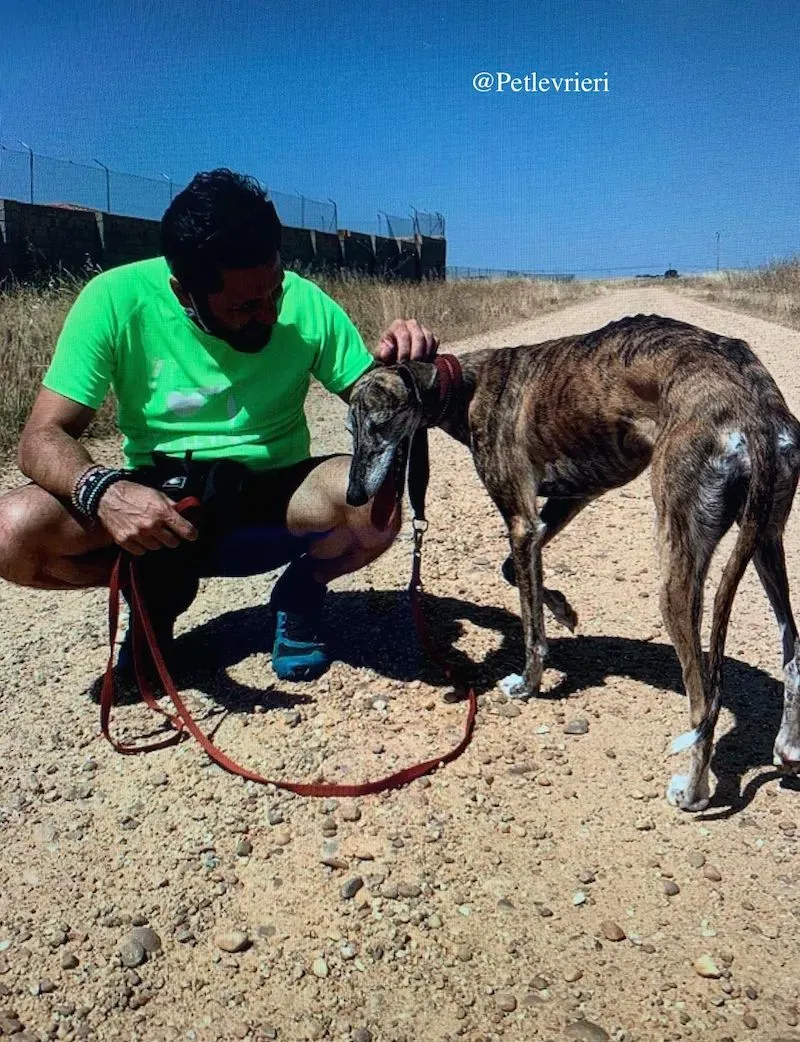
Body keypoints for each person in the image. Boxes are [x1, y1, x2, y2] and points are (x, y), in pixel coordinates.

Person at [0, 168, 438, 682]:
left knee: (377, 494)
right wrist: (107, 493)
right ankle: (154, 597)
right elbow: (40, 439)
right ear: (185, 295)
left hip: (276, 495)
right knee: (10, 532)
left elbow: (382, 408)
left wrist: (406, 370)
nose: (270, 314)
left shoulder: (304, 302)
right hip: (161, 497)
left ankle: (302, 590)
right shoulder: (114, 299)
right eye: (246, 306)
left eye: (273, 291)